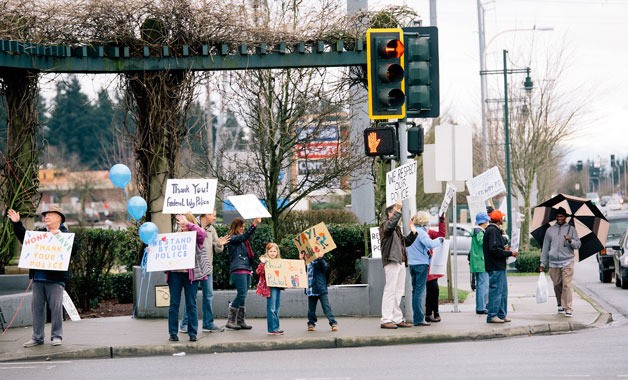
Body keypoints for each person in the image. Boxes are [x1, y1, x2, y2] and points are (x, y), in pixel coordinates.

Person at [8, 206, 75, 347]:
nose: (46, 217)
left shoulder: (65, 235)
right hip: (38, 278)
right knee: (36, 309)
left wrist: (61, 237)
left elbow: (74, 249)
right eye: (45, 215)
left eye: (50, 214)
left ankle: (57, 336)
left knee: (55, 309)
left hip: (56, 279)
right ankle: (37, 338)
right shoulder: (40, 233)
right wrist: (17, 223)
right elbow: (24, 238)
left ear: (59, 218)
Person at [179, 210, 230, 333]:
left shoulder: (212, 229)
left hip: (207, 268)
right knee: (191, 297)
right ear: (206, 214)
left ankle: (208, 323)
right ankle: (184, 324)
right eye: (213, 214)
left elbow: (217, 249)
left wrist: (220, 244)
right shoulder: (192, 224)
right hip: (194, 268)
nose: (215, 217)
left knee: (208, 296)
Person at [166, 213, 206, 342]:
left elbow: (202, 234)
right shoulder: (174, 237)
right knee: (174, 304)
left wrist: (188, 224)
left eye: (184, 223)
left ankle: (192, 333)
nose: (181, 225)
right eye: (180, 223)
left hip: (191, 275)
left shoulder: (196, 237)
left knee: (191, 304)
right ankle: (173, 333)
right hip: (175, 274)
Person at [540, 207, 581, 317]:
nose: (559, 218)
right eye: (558, 216)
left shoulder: (571, 229)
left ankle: (568, 308)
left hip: (567, 261)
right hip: (554, 262)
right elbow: (545, 247)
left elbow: (578, 245)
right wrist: (542, 263)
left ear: (566, 217)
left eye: (561, 216)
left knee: (566, 285)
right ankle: (560, 304)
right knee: (557, 284)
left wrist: (570, 240)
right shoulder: (550, 230)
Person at [379, 201, 414, 329]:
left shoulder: (396, 229)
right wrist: (398, 210)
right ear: (389, 214)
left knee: (398, 291)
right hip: (392, 260)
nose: (398, 215)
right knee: (390, 290)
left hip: (399, 261)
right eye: (395, 211)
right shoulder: (385, 225)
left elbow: (406, 242)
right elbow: (390, 227)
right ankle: (386, 319)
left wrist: (413, 232)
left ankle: (396, 318)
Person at [406, 211, 444, 326]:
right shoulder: (421, 233)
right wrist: (440, 240)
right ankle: (419, 319)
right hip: (421, 265)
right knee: (419, 292)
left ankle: (416, 317)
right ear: (423, 221)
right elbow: (430, 244)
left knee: (415, 292)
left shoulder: (411, 232)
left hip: (412, 265)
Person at [225, 217, 261, 330]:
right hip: (238, 269)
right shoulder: (232, 238)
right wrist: (254, 225)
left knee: (243, 296)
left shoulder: (243, 240)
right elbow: (244, 236)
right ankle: (230, 320)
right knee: (241, 294)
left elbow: (246, 238)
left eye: (244, 227)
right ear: (235, 227)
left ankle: (240, 321)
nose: (243, 229)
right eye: (241, 227)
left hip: (246, 268)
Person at [483, 210, 519, 323]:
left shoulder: (493, 230)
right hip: (495, 266)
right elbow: (494, 250)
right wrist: (509, 253)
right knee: (496, 291)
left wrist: (504, 250)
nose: (503, 220)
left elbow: (495, 248)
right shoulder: (493, 231)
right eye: (502, 218)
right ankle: (493, 315)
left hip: (498, 266)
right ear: (499, 220)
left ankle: (501, 314)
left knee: (502, 292)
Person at [301, 251, 338, 332]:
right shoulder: (307, 262)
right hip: (310, 288)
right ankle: (311, 323)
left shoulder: (319, 261)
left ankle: (333, 322)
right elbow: (300, 272)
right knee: (311, 308)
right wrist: (301, 260)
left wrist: (320, 258)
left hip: (320, 288)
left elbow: (325, 267)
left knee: (326, 306)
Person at [256, 242, 284, 335]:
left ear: (277, 252)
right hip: (269, 287)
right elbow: (258, 272)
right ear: (267, 252)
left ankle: (276, 327)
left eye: (274, 251)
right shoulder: (265, 261)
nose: (272, 253)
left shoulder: (279, 261)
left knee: (276, 307)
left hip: (277, 286)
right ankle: (272, 329)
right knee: (271, 307)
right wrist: (262, 263)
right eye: (270, 251)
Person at [424, 215, 447, 323]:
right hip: (425, 265)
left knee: (433, 290)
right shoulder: (420, 233)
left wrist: (441, 222)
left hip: (431, 266)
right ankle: (429, 313)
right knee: (430, 290)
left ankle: (434, 312)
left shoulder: (428, 232)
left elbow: (441, 235)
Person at [470, 211, 491, 315]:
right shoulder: (479, 231)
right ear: (484, 222)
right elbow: (482, 242)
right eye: (487, 220)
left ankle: (480, 306)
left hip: (477, 262)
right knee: (483, 285)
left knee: (480, 285)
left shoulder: (476, 230)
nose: (488, 222)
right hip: (481, 262)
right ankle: (481, 307)